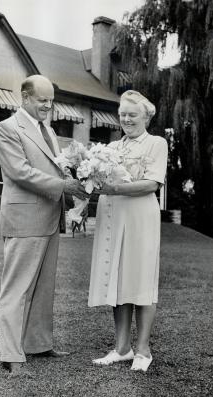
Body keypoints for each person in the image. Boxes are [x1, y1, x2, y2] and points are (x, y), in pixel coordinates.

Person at [0, 75, 87, 376]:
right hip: (24, 219)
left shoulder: (48, 128)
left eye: (51, 100)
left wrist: (82, 171)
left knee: (44, 287)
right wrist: (65, 185)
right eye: (42, 100)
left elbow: (52, 166)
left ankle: (37, 344)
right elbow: (21, 173)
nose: (48, 105)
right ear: (24, 97)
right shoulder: (6, 129)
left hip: (49, 216)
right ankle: (11, 355)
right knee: (17, 288)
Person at [88, 90, 168, 372]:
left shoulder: (156, 144)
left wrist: (114, 188)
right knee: (118, 281)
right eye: (122, 114)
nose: (126, 119)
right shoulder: (112, 147)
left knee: (142, 280)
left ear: (145, 116)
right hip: (114, 217)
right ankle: (122, 348)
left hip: (140, 218)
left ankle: (143, 350)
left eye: (132, 114)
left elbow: (152, 184)